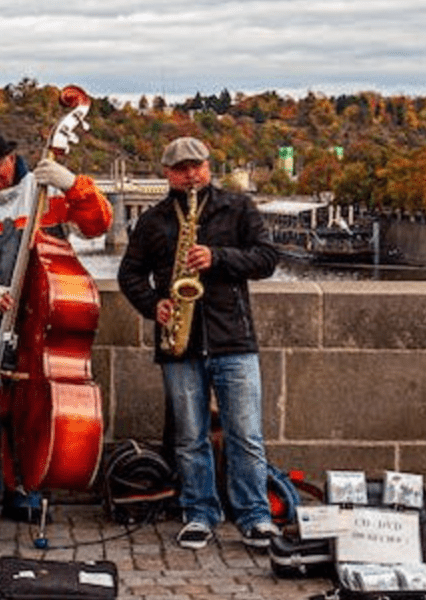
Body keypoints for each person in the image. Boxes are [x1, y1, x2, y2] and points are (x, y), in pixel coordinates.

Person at [0, 129, 112, 530]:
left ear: (11, 157)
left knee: (34, 416)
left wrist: (72, 184)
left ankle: (28, 492)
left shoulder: (43, 191)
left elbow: (98, 223)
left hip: (43, 327)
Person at [117, 137, 280, 550]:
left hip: (233, 339)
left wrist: (218, 257)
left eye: (197, 166)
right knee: (189, 438)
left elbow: (266, 259)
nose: (191, 174)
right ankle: (199, 512)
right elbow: (129, 275)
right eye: (181, 168)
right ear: (167, 173)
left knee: (246, 435)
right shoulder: (153, 220)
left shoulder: (238, 208)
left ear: (209, 166)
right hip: (180, 344)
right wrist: (155, 306)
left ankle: (255, 515)